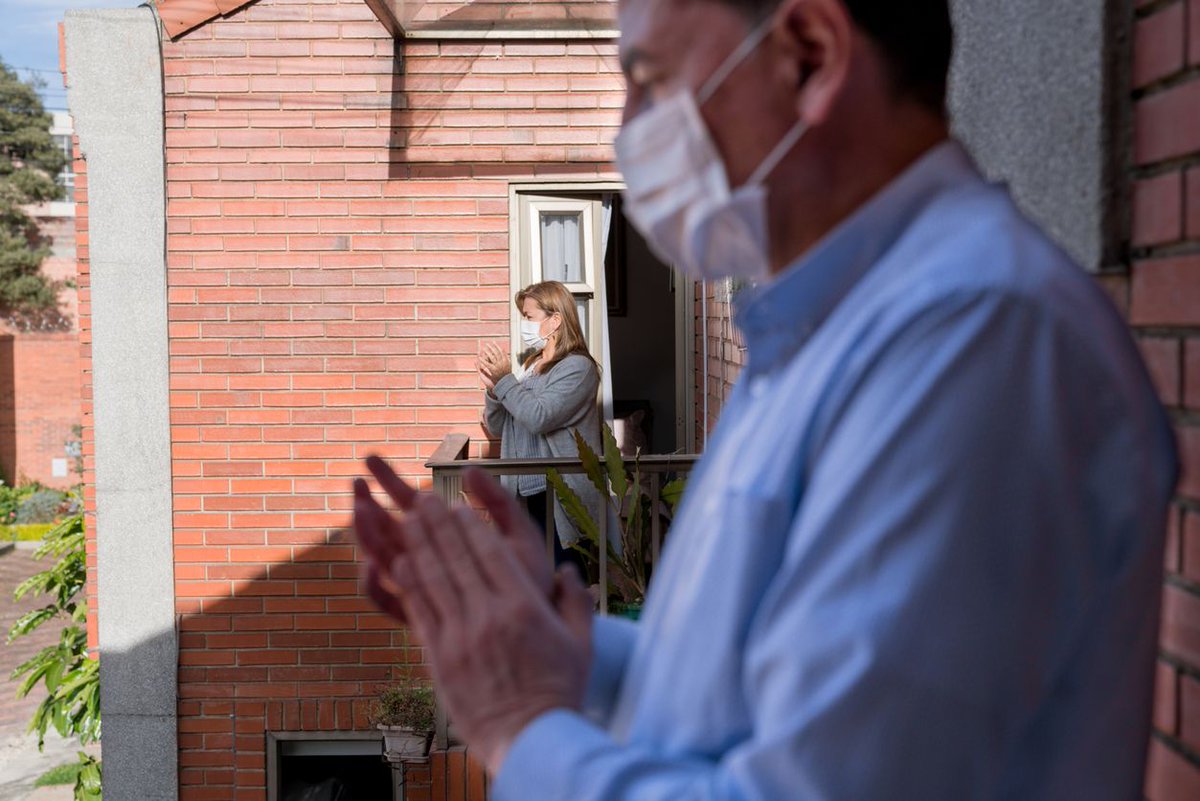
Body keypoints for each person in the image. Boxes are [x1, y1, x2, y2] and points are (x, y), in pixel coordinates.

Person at [353, 0, 1179, 799]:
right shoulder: (822, 332)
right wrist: (560, 652)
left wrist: (520, 721)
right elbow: (744, 688)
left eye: (651, 79)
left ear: (811, 54)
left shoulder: (981, 339)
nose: (625, 131)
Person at [477, 280, 601, 570]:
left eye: (529, 317)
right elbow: (499, 427)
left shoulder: (578, 368)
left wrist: (506, 380)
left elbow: (538, 417)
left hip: (560, 495)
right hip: (526, 494)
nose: (524, 324)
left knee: (565, 579)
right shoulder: (532, 365)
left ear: (555, 320)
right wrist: (495, 391)